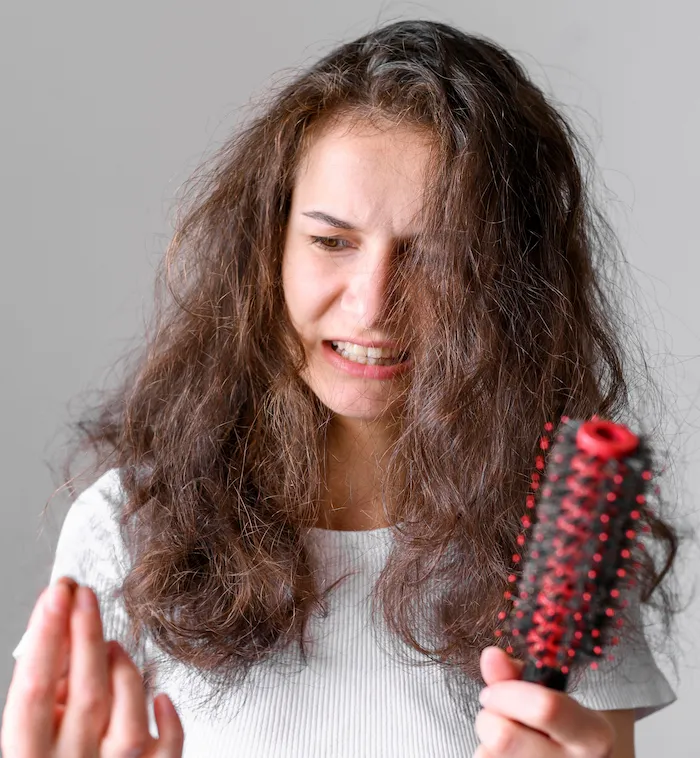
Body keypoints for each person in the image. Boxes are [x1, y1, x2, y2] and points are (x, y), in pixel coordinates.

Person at [1, 18, 685, 758]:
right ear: (269, 249)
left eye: (438, 259)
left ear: (512, 286)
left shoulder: (565, 545)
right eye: (331, 242)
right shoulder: (127, 530)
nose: (371, 305)